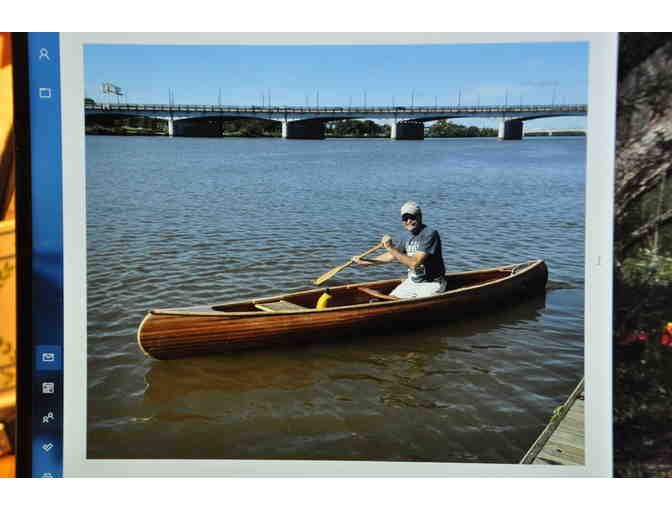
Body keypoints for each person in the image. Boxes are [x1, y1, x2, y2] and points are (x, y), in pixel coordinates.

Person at [353, 201, 447, 298]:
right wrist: (366, 262)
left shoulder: (430, 234)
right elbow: (391, 255)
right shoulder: (406, 236)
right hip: (412, 282)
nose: (408, 221)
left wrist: (390, 247)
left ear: (420, 216)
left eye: (412, 217)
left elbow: (414, 262)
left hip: (431, 283)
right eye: (405, 218)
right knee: (391, 298)